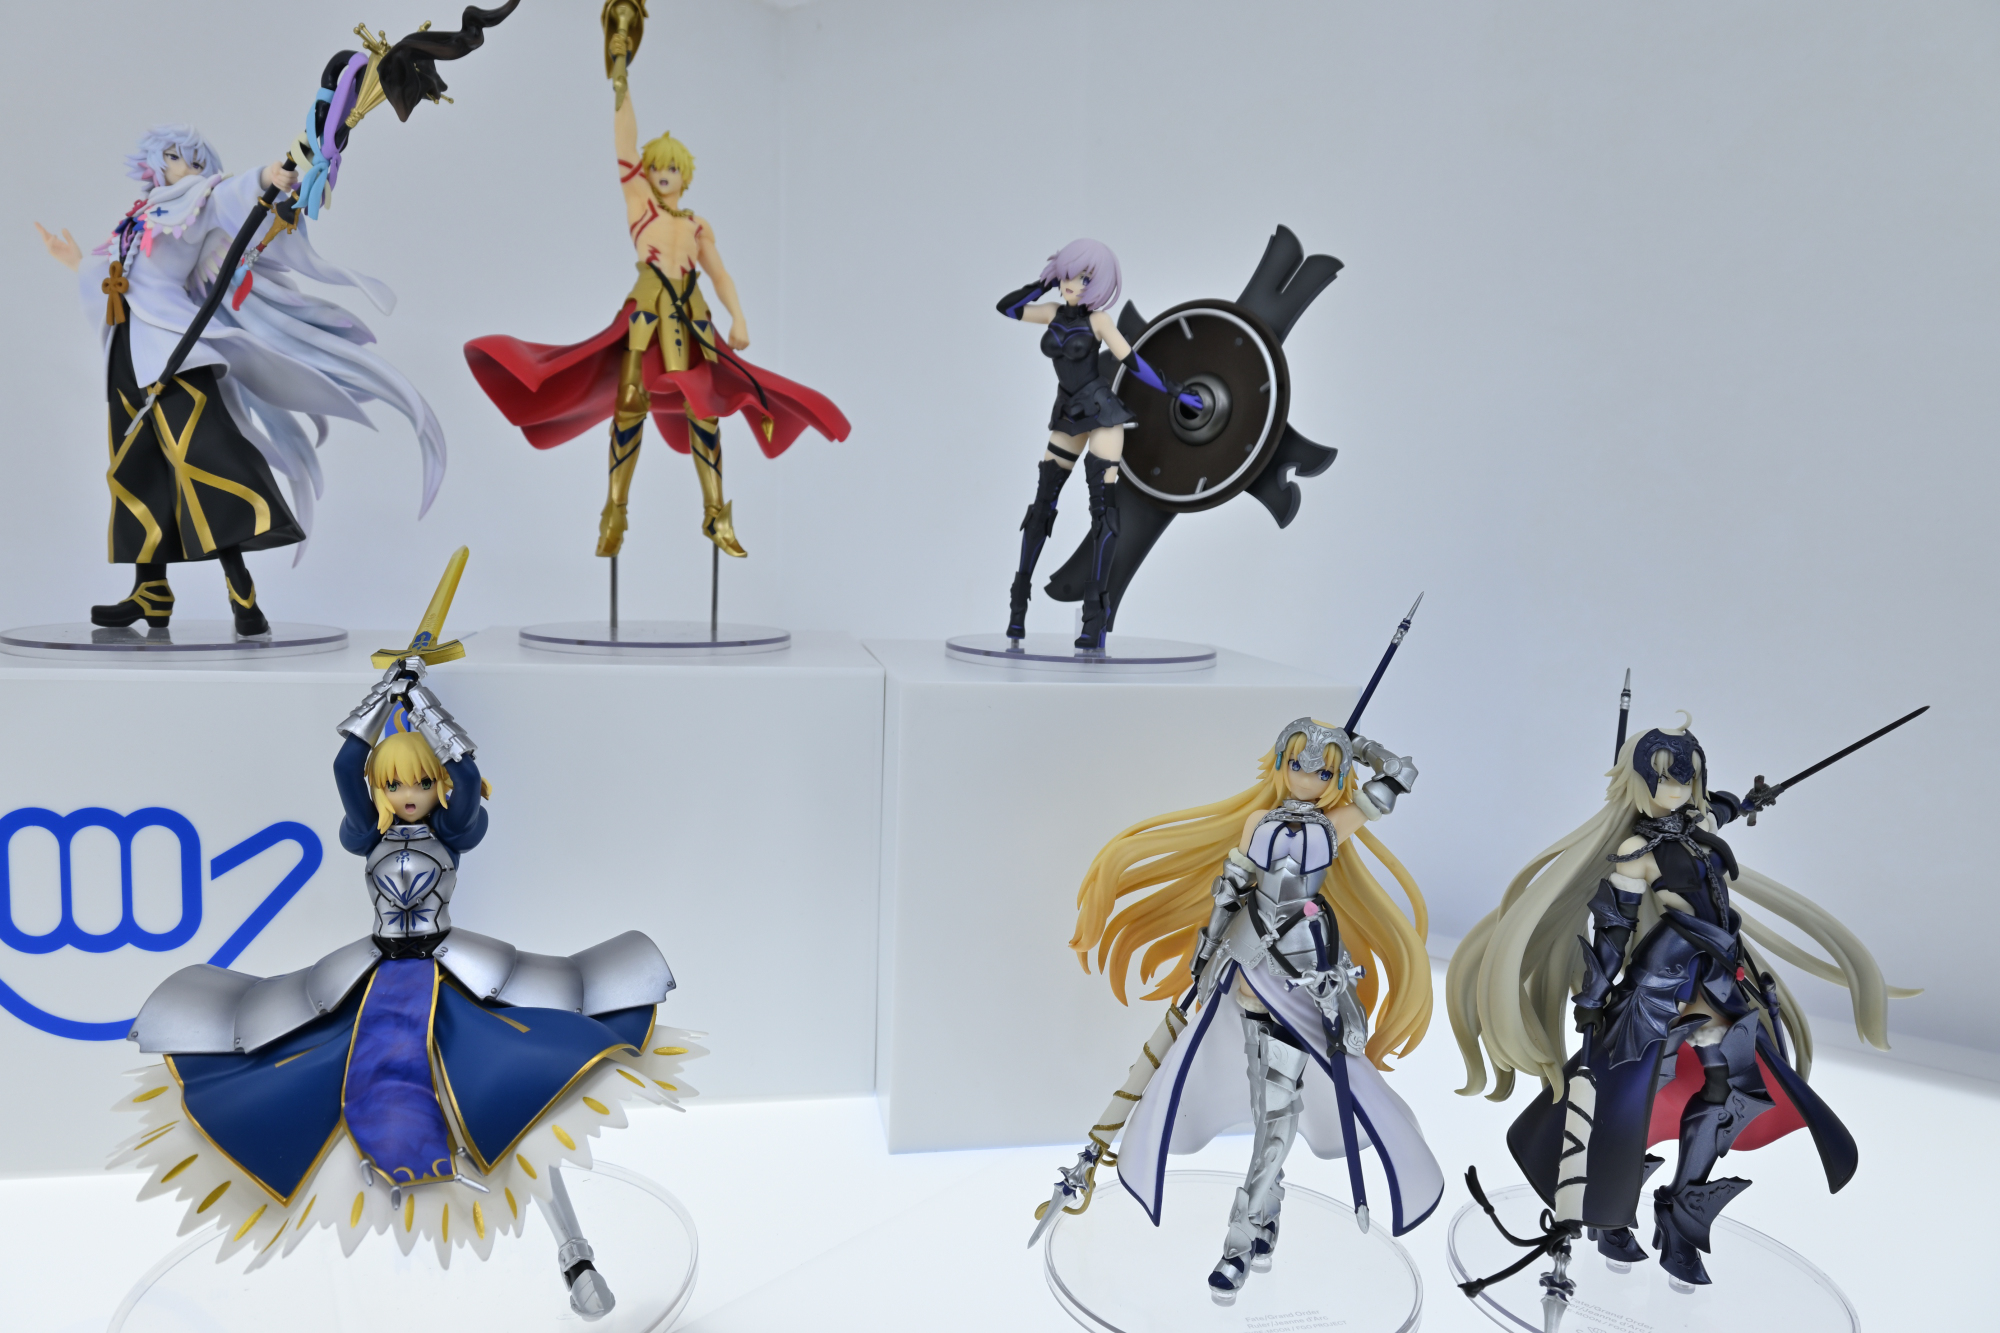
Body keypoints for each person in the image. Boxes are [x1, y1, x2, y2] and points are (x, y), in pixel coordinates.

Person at [114, 661, 698, 1320]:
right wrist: (381, 698)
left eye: (420, 780)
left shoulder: (452, 829)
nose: (409, 791)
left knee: (522, 1097)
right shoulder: (368, 833)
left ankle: (573, 1253)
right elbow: (345, 765)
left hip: (453, 972)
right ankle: (366, 1240)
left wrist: (423, 704)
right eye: (394, 782)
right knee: (326, 1081)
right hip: (378, 974)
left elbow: (468, 777)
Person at [1446, 715, 1911, 1287]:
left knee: (1728, 1088)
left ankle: (1682, 1214)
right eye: (1666, 777)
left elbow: (1721, 810)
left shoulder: (1697, 826)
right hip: (1662, 985)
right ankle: (1613, 1211)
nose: (1678, 788)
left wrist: (1748, 801)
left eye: (1687, 776)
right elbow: (1614, 928)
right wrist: (1594, 994)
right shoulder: (1635, 850)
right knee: (1632, 1092)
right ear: (1640, 780)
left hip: (1716, 979)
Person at [1060, 717, 1440, 1301]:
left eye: (1323, 772)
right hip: (1244, 966)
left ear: (1337, 777)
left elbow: (1402, 773)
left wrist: (1359, 746)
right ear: (1280, 764)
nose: (1307, 778)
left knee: (1276, 1114)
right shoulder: (1257, 822)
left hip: (1302, 977)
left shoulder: (1337, 825)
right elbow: (1231, 887)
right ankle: (1266, 1214)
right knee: (1268, 1112)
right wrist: (1205, 949)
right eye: (1297, 765)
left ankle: (1240, 1241)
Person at [464, 15, 848, 563]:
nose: (664, 174)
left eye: (673, 169)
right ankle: (614, 511)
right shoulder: (640, 207)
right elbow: (624, 143)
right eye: (657, 167)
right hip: (645, 313)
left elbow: (720, 274)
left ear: (685, 176)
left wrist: (739, 318)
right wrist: (620, 75)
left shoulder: (696, 225)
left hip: (693, 317)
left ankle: (715, 515)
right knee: (629, 402)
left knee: (704, 409)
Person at [35, 125, 446, 635]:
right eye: (169, 156)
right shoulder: (141, 216)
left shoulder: (201, 199)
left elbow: (232, 198)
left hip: (174, 351)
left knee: (206, 463)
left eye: (186, 158)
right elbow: (122, 281)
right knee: (134, 467)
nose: (176, 165)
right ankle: (151, 591)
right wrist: (77, 263)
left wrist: (268, 176)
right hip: (127, 351)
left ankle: (242, 592)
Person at [994, 240, 1201, 649]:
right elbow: (1008, 308)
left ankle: (1094, 616)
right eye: (1068, 275)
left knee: (1103, 513)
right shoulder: (1050, 313)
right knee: (1041, 506)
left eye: (1084, 278)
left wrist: (1174, 390)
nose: (1072, 284)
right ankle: (1018, 607)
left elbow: (1132, 361)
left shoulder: (1100, 321)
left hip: (1102, 412)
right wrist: (1043, 283)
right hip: (1067, 414)